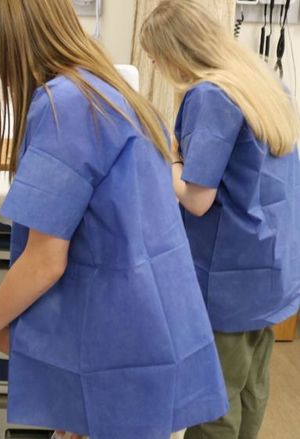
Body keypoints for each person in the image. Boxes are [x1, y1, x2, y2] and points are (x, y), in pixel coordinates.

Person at [0, 1, 230, 438]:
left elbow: (44, 263)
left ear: (10, 41)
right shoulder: (104, 88)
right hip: (149, 340)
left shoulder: (65, 107)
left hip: (122, 357)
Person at [140, 1, 300, 438]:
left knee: (214, 404)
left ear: (175, 52)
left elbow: (196, 199)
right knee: (252, 389)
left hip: (229, 279)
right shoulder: (261, 81)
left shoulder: (210, 95)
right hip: (271, 270)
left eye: (155, 57)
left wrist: (168, 160)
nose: (156, 66)